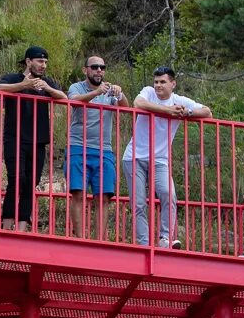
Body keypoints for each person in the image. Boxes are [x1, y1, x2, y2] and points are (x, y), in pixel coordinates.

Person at [124, 66, 212, 249]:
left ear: (173, 84)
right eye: (156, 81)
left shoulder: (179, 100)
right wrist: (167, 111)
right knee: (139, 202)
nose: (158, 85)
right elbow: (138, 103)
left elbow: (207, 112)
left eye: (163, 82)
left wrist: (186, 113)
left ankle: (165, 238)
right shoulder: (148, 92)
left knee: (169, 195)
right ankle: (143, 243)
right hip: (134, 157)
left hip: (160, 159)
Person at [0, 46, 65, 230]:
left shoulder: (45, 82)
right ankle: (6, 225)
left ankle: (22, 228)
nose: (43, 65)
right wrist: (23, 86)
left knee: (31, 183)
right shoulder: (14, 78)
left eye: (46, 62)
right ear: (28, 61)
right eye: (40, 61)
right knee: (16, 179)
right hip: (14, 138)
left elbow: (63, 97)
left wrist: (47, 88)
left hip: (38, 141)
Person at [66, 55, 128, 238]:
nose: (99, 70)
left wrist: (120, 93)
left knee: (104, 196)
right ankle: (79, 239)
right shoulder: (77, 87)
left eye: (102, 67)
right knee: (78, 193)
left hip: (104, 150)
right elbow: (74, 101)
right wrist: (96, 92)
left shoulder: (109, 90)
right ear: (86, 70)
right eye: (94, 67)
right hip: (78, 146)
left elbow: (126, 108)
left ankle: (99, 240)